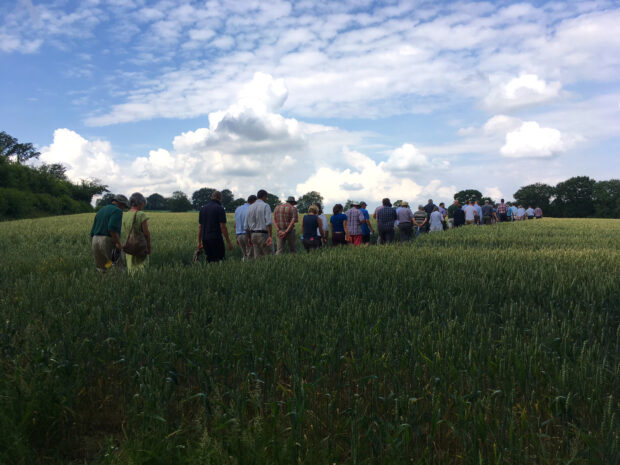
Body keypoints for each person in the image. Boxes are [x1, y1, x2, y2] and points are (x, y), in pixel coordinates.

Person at [91, 194, 128, 271]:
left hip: (95, 239)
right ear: (121, 204)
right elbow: (112, 228)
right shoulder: (117, 211)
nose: (124, 209)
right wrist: (118, 243)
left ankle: (103, 281)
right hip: (107, 239)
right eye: (124, 206)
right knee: (118, 265)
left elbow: (92, 230)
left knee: (102, 267)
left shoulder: (101, 210)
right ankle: (119, 282)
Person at [198, 191, 233, 263]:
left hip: (205, 239)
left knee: (209, 260)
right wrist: (228, 242)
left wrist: (199, 242)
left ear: (212, 197)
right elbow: (223, 227)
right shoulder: (220, 208)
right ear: (220, 198)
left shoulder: (203, 208)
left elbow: (200, 227)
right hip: (216, 239)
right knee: (219, 260)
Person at [123, 192, 151, 273]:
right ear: (140, 203)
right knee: (142, 268)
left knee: (131, 268)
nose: (143, 207)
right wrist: (149, 247)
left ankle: (132, 284)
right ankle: (140, 284)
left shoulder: (125, 215)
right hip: (140, 246)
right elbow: (146, 233)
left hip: (128, 245)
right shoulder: (141, 214)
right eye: (143, 204)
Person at [244, 189, 273, 258]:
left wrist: (249, 238)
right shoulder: (266, 206)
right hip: (263, 234)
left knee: (257, 258)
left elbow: (246, 226)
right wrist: (270, 236)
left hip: (253, 235)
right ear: (264, 196)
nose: (266, 199)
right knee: (268, 256)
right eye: (266, 197)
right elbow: (268, 222)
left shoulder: (250, 207)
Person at [234, 195, 256, 261]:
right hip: (248, 234)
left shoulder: (238, 209)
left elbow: (235, 224)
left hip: (239, 235)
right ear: (254, 201)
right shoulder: (251, 208)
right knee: (251, 257)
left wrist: (236, 237)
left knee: (245, 255)